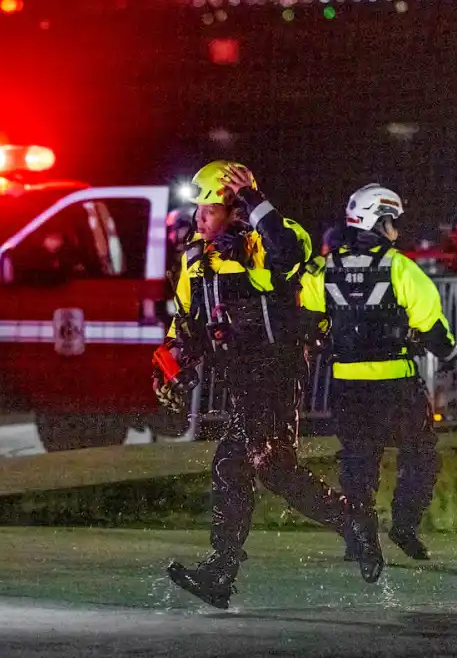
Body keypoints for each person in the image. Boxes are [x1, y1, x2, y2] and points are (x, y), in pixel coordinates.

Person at [156, 160, 362, 609]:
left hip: (275, 369)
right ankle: (352, 524)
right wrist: (169, 364)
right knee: (262, 467)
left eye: (209, 210)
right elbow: (186, 321)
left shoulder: (265, 242)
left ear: (234, 209)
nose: (199, 219)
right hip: (241, 377)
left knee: (247, 465)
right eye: (198, 211)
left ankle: (222, 569)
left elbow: (289, 253)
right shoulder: (195, 259)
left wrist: (253, 197)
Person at [300, 184, 457, 583]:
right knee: (421, 455)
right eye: (392, 222)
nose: (396, 231)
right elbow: (433, 328)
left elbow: (308, 320)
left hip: (346, 386)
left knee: (357, 463)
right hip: (396, 385)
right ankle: (404, 526)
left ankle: (361, 539)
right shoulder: (400, 268)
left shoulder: (323, 268)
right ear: (379, 221)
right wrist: (451, 356)